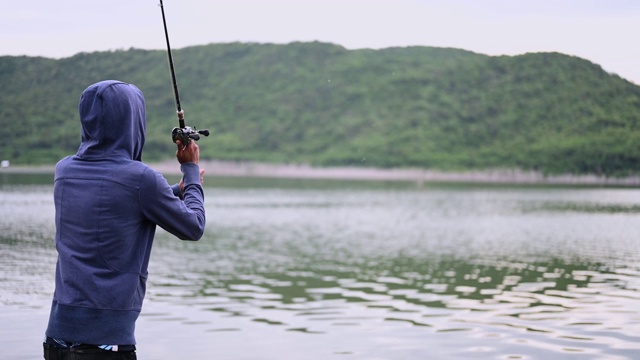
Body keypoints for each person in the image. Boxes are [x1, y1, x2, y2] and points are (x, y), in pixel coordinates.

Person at [43, 80, 206, 359]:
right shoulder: (141, 178)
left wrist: (175, 191)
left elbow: (117, 202)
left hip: (57, 338)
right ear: (134, 121)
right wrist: (191, 172)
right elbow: (193, 226)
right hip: (106, 344)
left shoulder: (65, 171)